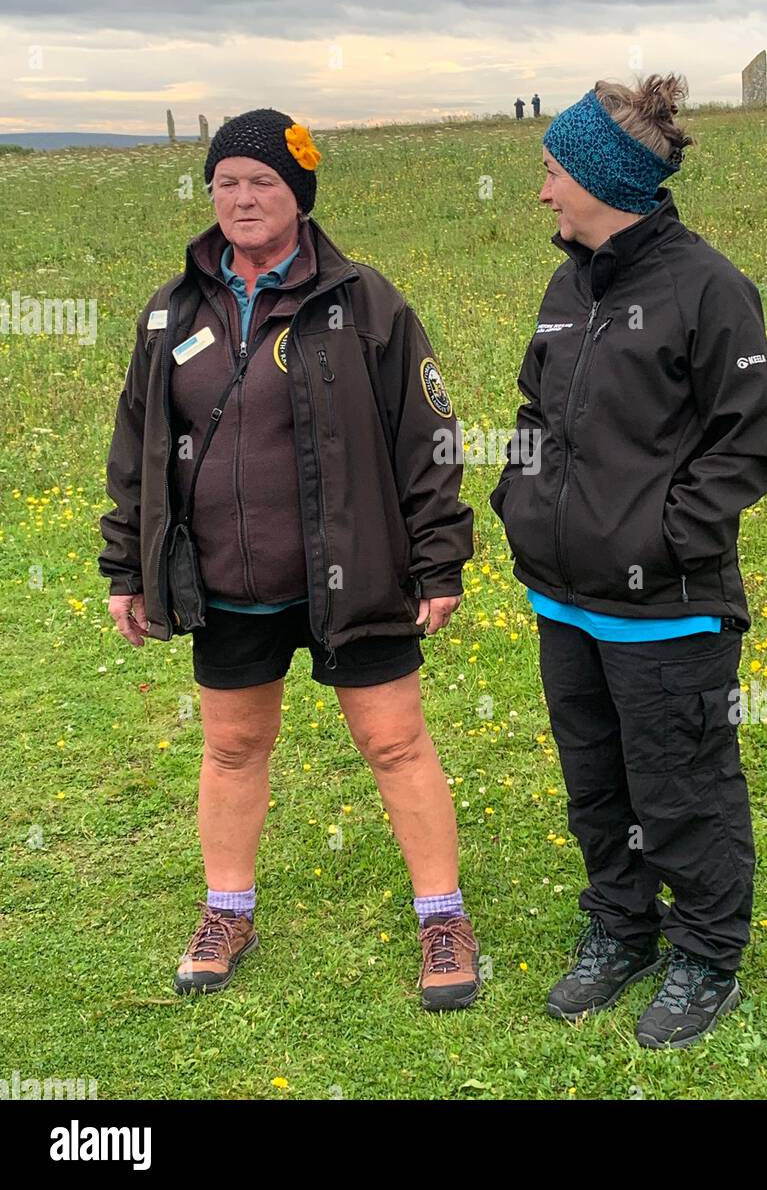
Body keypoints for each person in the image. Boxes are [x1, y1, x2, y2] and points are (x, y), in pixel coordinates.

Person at [99, 108, 481, 1011]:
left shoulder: (364, 302)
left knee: (394, 742)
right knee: (232, 747)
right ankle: (227, 910)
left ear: (299, 196)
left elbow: (426, 439)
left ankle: (442, 917)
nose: (241, 197)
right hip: (224, 582)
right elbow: (137, 447)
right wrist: (128, 566)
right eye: (225, 181)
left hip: (352, 572)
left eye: (262, 181)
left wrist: (439, 560)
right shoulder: (171, 310)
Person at [490, 75, 767, 1048]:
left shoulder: (710, 291)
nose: (541, 194)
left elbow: (746, 448)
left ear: (601, 178)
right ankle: (621, 929)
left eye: (551, 172)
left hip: (668, 612)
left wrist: (658, 544)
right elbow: (537, 410)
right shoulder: (568, 282)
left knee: (683, 788)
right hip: (565, 603)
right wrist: (522, 504)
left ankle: (706, 957)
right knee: (598, 783)